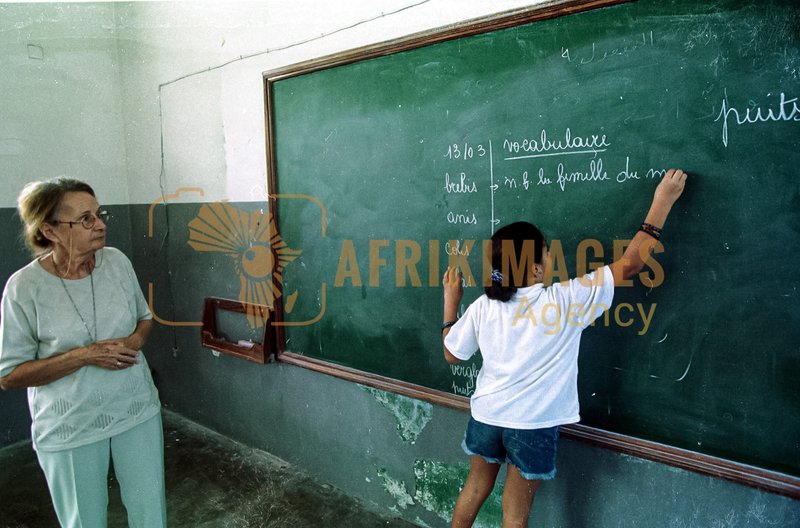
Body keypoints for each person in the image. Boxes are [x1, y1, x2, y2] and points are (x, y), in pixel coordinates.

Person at [441, 169, 688, 527]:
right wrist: (662, 201)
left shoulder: (484, 306)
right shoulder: (565, 300)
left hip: (487, 416)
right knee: (515, 514)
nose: (550, 259)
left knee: (475, 488)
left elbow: (452, 354)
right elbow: (631, 265)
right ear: (536, 269)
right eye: (546, 254)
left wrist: (451, 300)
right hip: (532, 425)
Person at [0, 177, 167, 527]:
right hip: (70, 424)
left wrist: (133, 343)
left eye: (99, 214)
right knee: (84, 519)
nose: (101, 225)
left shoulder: (116, 262)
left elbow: (144, 319)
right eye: (86, 219)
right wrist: (84, 356)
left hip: (135, 408)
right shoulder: (24, 288)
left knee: (150, 511)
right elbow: (9, 375)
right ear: (50, 230)